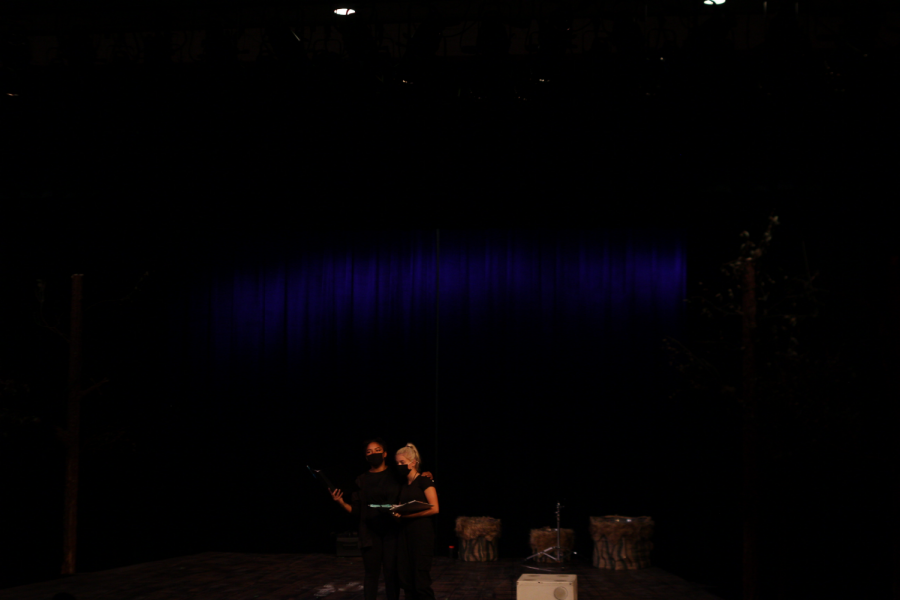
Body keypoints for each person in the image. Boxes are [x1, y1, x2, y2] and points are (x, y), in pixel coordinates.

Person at [331, 439, 435, 600]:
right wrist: (341, 503)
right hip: (370, 534)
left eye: (377, 450)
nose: (373, 454)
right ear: (366, 457)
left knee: (391, 575)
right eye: (369, 452)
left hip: (393, 533)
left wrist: (425, 475)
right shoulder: (361, 480)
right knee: (371, 574)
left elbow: (413, 479)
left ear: (385, 454)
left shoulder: (396, 475)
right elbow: (357, 511)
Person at [393, 443, 439, 600]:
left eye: (402, 463)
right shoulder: (404, 485)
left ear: (413, 462)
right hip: (405, 534)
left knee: (420, 579)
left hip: (421, 534)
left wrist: (408, 516)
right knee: (406, 578)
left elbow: (435, 509)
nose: (399, 466)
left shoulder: (424, 481)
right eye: (397, 463)